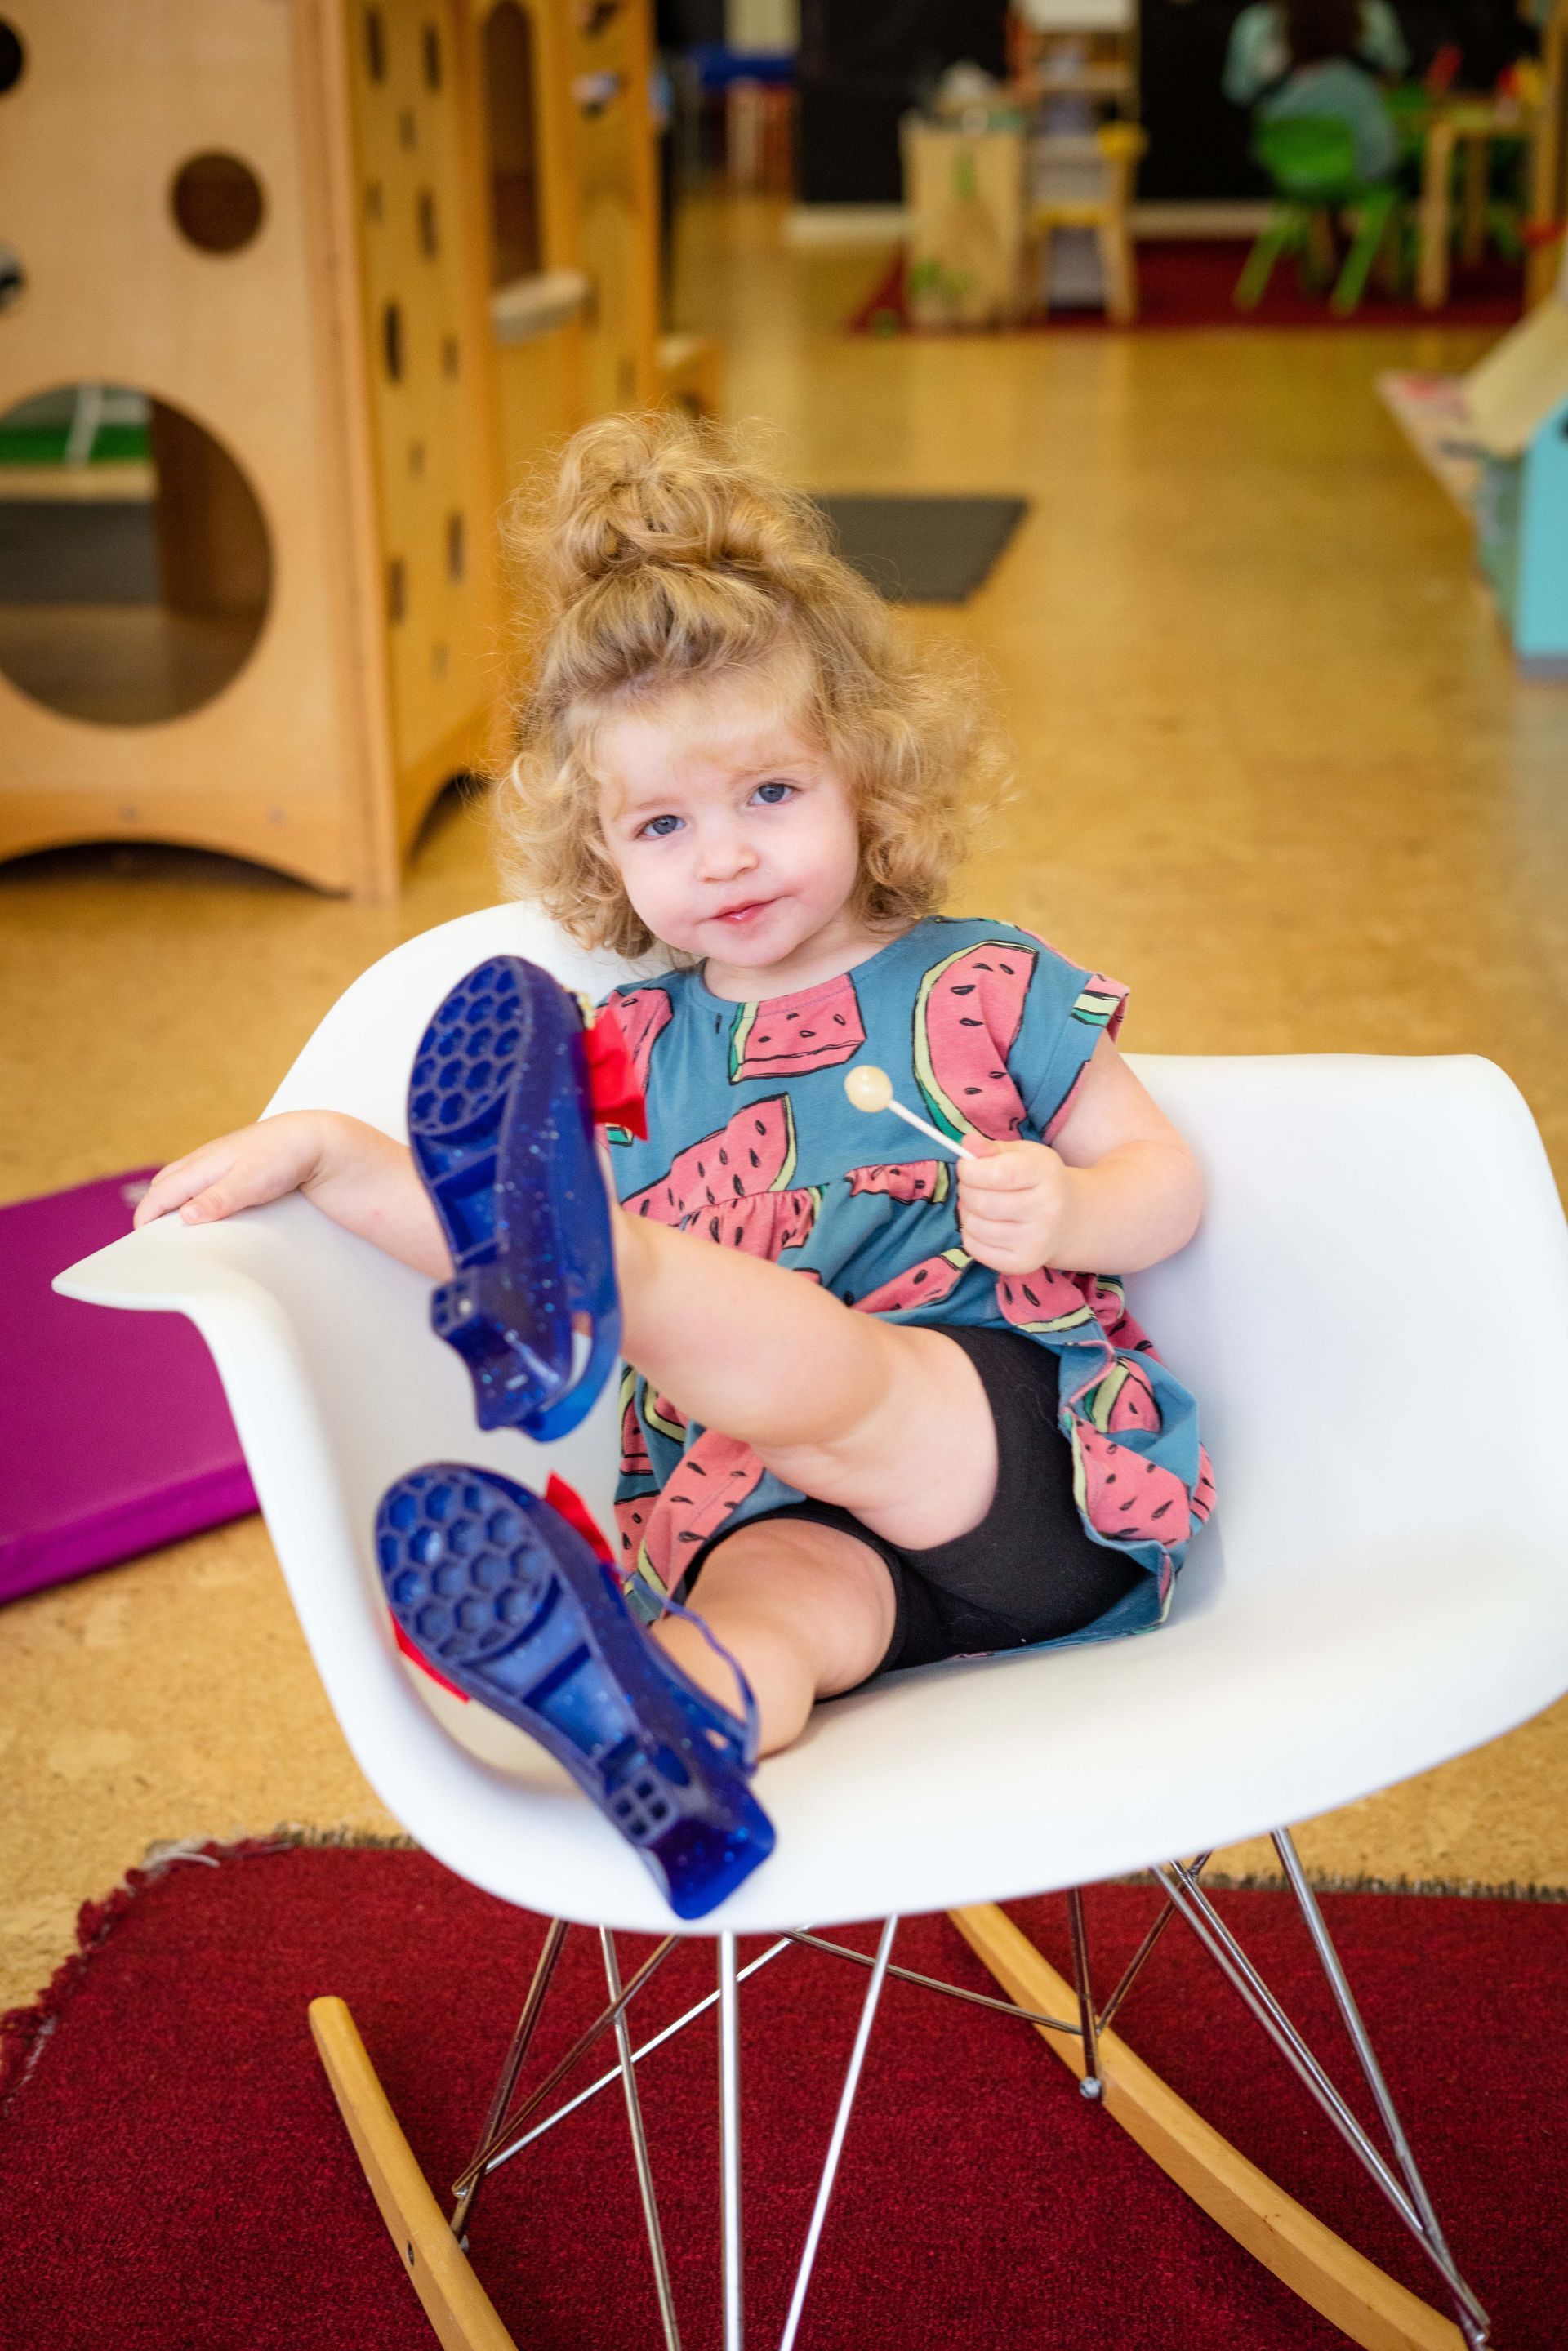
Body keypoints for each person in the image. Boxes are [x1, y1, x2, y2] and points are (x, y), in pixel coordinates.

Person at [135, 416, 1213, 1907]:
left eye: (770, 794)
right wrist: (330, 1153)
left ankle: (612, 1278)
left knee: (844, 1379)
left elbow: (1169, 1178)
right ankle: (672, 1732)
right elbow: (480, 1231)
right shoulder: (627, 1044)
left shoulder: (981, 980)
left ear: (867, 776)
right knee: (769, 1610)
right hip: (775, 1509)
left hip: (1007, 1465)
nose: (723, 855)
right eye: (663, 821)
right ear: (605, 848)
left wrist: (1080, 1200)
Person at [1232, 0, 1404, 185]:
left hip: (1287, 169)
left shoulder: (1257, 22)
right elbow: (1396, 74)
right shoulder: (1373, 13)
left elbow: (1240, 94)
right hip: (1364, 170)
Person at [1223, 0, 1408, 107]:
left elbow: (1239, 93)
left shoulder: (1374, 13)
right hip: (1291, 153)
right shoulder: (1258, 23)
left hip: (1362, 145)